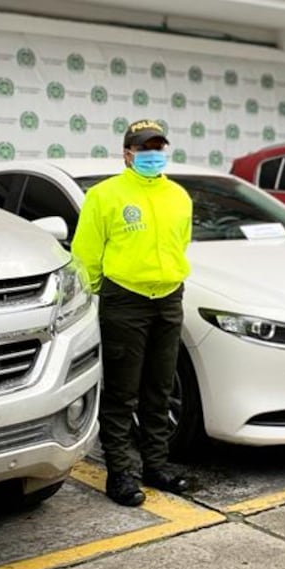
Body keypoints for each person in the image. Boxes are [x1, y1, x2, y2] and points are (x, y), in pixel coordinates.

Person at [71, 119, 193, 506]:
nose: (153, 155)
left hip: (169, 298)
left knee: (159, 388)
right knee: (123, 393)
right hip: (124, 301)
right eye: (145, 148)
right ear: (127, 154)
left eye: (159, 147)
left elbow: (181, 244)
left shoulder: (178, 196)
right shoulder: (105, 196)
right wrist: (94, 295)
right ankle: (121, 474)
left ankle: (156, 466)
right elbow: (86, 252)